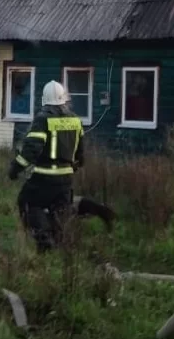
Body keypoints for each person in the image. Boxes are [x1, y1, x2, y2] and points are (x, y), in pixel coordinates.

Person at [8, 80, 114, 253]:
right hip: (66, 177)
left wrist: (15, 169)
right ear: (64, 98)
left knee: (28, 203)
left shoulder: (42, 119)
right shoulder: (75, 120)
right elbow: (80, 154)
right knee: (60, 210)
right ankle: (60, 241)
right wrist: (73, 167)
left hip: (43, 176)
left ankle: (43, 239)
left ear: (44, 99)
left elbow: (31, 150)